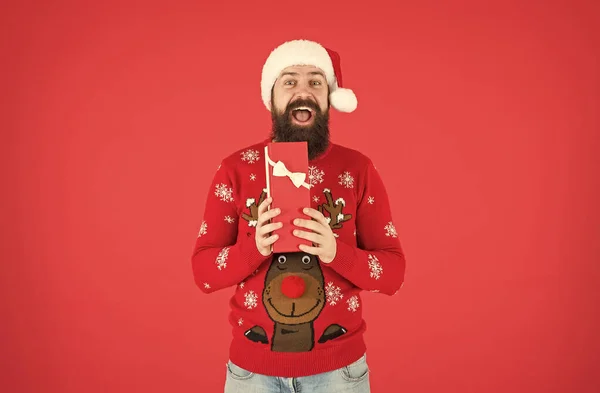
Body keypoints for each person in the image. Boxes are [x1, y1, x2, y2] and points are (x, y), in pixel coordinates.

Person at [191, 39, 406, 393]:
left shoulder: (358, 169)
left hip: (340, 375)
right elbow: (203, 274)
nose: (302, 92)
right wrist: (253, 247)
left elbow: (394, 275)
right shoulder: (235, 170)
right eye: (289, 81)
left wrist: (338, 253)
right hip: (251, 376)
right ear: (271, 96)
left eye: (315, 82)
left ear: (327, 97)